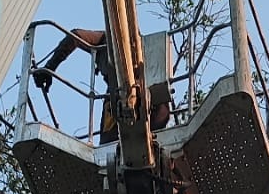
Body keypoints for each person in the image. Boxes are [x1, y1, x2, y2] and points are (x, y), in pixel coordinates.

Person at [33, 27, 173, 138]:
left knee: (109, 151)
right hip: (143, 107)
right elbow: (75, 37)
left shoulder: (106, 39)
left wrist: (50, 67)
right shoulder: (113, 40)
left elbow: (75, 36)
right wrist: (49, 68)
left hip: (134, 105)